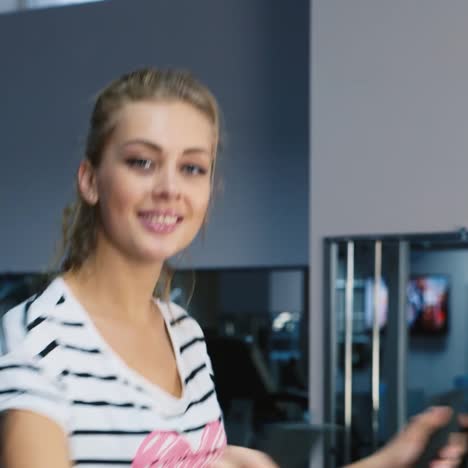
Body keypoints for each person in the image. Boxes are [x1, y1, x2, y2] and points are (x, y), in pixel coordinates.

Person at [0, 68, 465, 468]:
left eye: (192, 168)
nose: (169, 187)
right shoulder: (36, 341)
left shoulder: (183, 335)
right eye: (142, 162)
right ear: (90, 180)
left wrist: (396, 458)